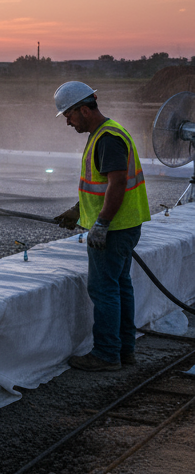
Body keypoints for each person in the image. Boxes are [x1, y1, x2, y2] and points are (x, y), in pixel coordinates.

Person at [52, 82, 151, 371]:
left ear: (84, 109)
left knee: (104, 289)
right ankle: (125, 350)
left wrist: (101, 225)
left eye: (69, 115)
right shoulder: (106, 133)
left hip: (113, 229)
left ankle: (107, 354)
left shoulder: (106, 139)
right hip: (124, 226)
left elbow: (117, 184)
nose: (67, 122)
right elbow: (100, 184)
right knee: (120, 286)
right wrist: (77, 210)